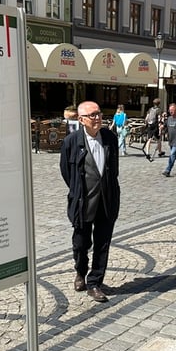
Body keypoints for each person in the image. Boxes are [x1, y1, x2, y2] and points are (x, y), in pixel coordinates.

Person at [59, 100, 120, 303]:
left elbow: (114, 170)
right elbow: (67, 173)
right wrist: (78, 190)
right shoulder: (71, 142)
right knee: (80, 243)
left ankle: (95, 283)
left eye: (99, 114)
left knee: (102, 244)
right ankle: (80, 272)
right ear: (81, 119)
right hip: (83, 202)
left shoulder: (110, 138)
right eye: (92, 115)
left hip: (106, 201)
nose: (97, 118)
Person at [161, 103, 176, 177]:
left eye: (172, 110)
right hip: (171, 141)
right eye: (170, 110)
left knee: (172, 154)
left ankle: (168, 170)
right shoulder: (169, 119)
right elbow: (165, 126)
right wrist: (162, 127)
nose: (170, 112)